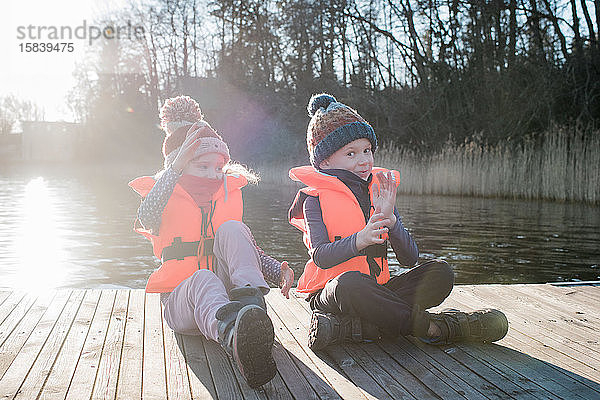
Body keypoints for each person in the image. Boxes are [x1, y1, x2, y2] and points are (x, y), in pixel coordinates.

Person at [288, 93, 508, 350]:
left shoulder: (380, 191)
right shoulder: (314, 199)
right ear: (325, 161)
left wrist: (393, 222)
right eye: (351, 153)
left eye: (367, 150)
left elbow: (409, 259)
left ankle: (357, 327)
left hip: (378, 292)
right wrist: (360, 240)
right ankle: (437, 327)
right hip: (332, 294)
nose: (364, 160)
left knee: (440, 273)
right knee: (349, 283)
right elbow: (321, 257)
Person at [129, 95, 293, 388]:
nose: (213, 175)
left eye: (218, 168)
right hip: (183, 302)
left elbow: (248, 249)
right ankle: (235, 339)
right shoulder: (163, 193)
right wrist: (175, 168)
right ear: (179, 165)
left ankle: (252, 314)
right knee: (204, 278)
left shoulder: (225, 194)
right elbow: (146, 216)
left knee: (232, 228)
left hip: (229, 299)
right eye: (202, 167)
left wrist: (275, 270)